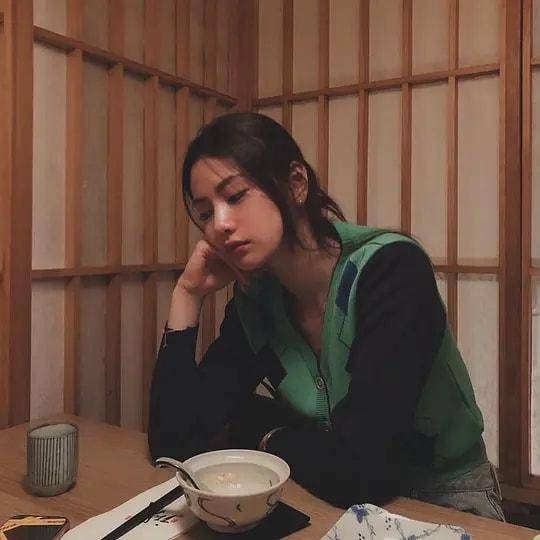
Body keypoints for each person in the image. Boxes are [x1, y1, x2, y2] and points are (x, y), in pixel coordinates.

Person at [148, 112, 504, 520]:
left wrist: (265, 433)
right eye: (205, 213)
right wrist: (187, 295)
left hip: (444, 496)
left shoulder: (391, 270)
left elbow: (364, 469)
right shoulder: (258, 301)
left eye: (236, 196)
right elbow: (174, 444)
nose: (221, 225)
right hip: (325, 493)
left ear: (296, 183)